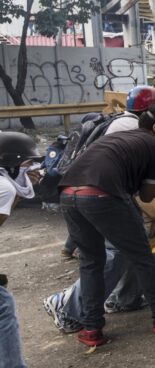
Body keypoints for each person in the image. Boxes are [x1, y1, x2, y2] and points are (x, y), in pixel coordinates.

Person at [58, 104, 155, 347]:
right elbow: (147, 196)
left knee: (91, 261)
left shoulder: (121, 136)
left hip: (68, 193)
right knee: (141, 256)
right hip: (102, 195)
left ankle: (91, 328)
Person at [60, 85, 155, 259]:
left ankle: (69, 248)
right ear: (150, 110)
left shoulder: (120, 118)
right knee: (129, 226)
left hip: (83, 180)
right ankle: (135, 257)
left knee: (90, 216)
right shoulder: (135, 126)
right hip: (107, 184)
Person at [0, 132, 41, 368]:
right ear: (11, 162)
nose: (32, 166)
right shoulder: (4, 186)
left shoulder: (5, 185)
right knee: (3, 305)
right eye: (27, 163)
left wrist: (22, 188)